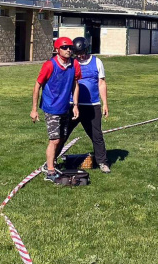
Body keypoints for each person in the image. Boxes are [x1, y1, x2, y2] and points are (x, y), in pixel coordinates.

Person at [31, 36, 81, 182]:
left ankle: (51, 163)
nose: (68, 50)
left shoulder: (74, 64)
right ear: (57, 49)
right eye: (64, 48)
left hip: (65, 107)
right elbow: (37, 85)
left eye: (70, 47)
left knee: (62, 138)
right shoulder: (49, 65)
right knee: (54, 140)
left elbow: (75, 84)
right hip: (51, 107)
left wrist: (75, 105)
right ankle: (50, 170)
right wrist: (34, 109)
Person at [64, 36, 111, 173]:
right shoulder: (71, 63)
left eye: (83, 53)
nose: (81, 56)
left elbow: (101, 83)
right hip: (73, 105)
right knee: (63, 133)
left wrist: (105, 104)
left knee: (96, 135)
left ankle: (102, 162)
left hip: (92, 105)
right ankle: (52, 160)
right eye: (78, 54)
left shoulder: (97, 62)